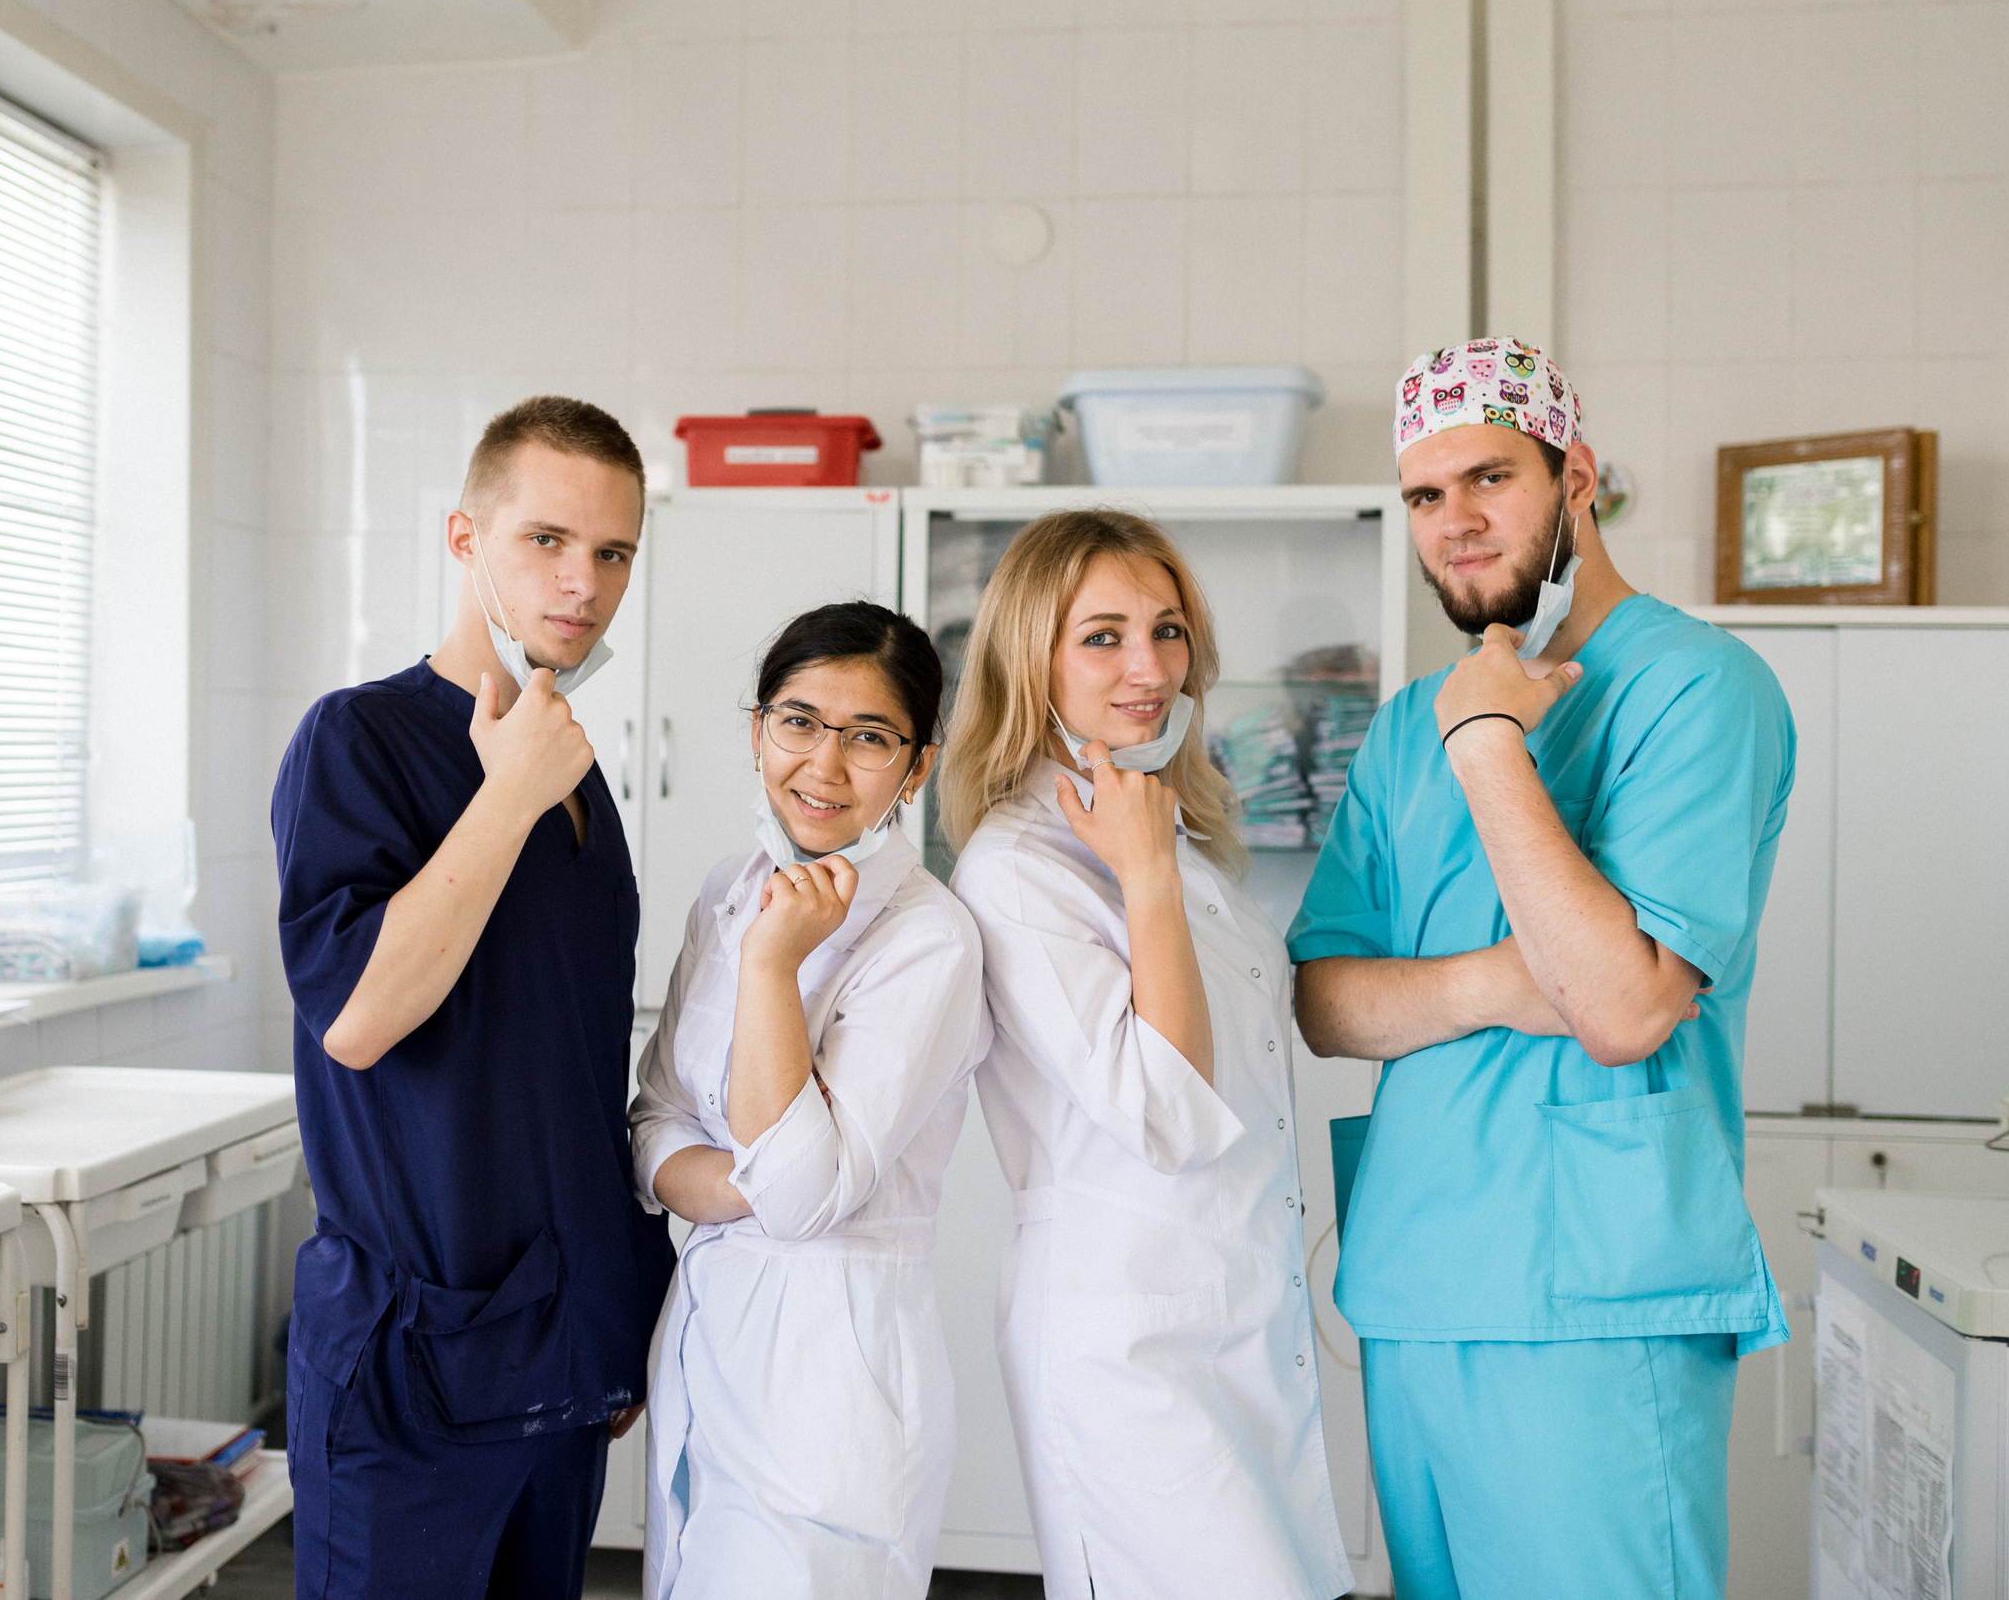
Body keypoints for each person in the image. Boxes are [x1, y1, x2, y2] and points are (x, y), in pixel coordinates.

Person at [1289, 338, 1794, 1600]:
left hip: (1596, 1292)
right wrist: (1505, 983)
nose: (1452, 523)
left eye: (1487, 478)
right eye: (1421, 495)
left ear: (1576, 475)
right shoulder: (1406, 720)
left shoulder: (1696, 688)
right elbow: (1324, 1000)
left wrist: (1489, 748)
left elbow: (1622, 1007)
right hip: (1412, 1283)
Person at [271, 395, 676, 1600]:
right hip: (412, 1369)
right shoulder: (361, 739)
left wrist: (609, 1311)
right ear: (463, 539)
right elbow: (356, 1016)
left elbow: (566, 1066)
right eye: (544, 541)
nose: (582, 583)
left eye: (612, 553)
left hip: (557, 1358)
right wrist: (502, 799)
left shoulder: (575, 782)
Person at [939, 510, 1350, 1600]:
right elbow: (1166, 1110)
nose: (1150, 667)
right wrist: (1144, 872)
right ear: (1032, 655)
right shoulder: (1018, 864)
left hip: (1238, 1314)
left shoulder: (1165, 834)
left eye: (1168, 631)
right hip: (1130, 1343)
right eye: (1104, 635)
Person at [629, 601, 988, 1600]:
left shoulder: (928, 939)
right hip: (706, 1335)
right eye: (796, 721)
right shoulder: (730, 888)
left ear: (915, 767)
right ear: (755, 731)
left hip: (835, 1375)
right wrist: (732, 1175)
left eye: (869, 736)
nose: (823, 766)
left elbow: (799, 1200)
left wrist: (772, 967)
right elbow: (654, 1113)